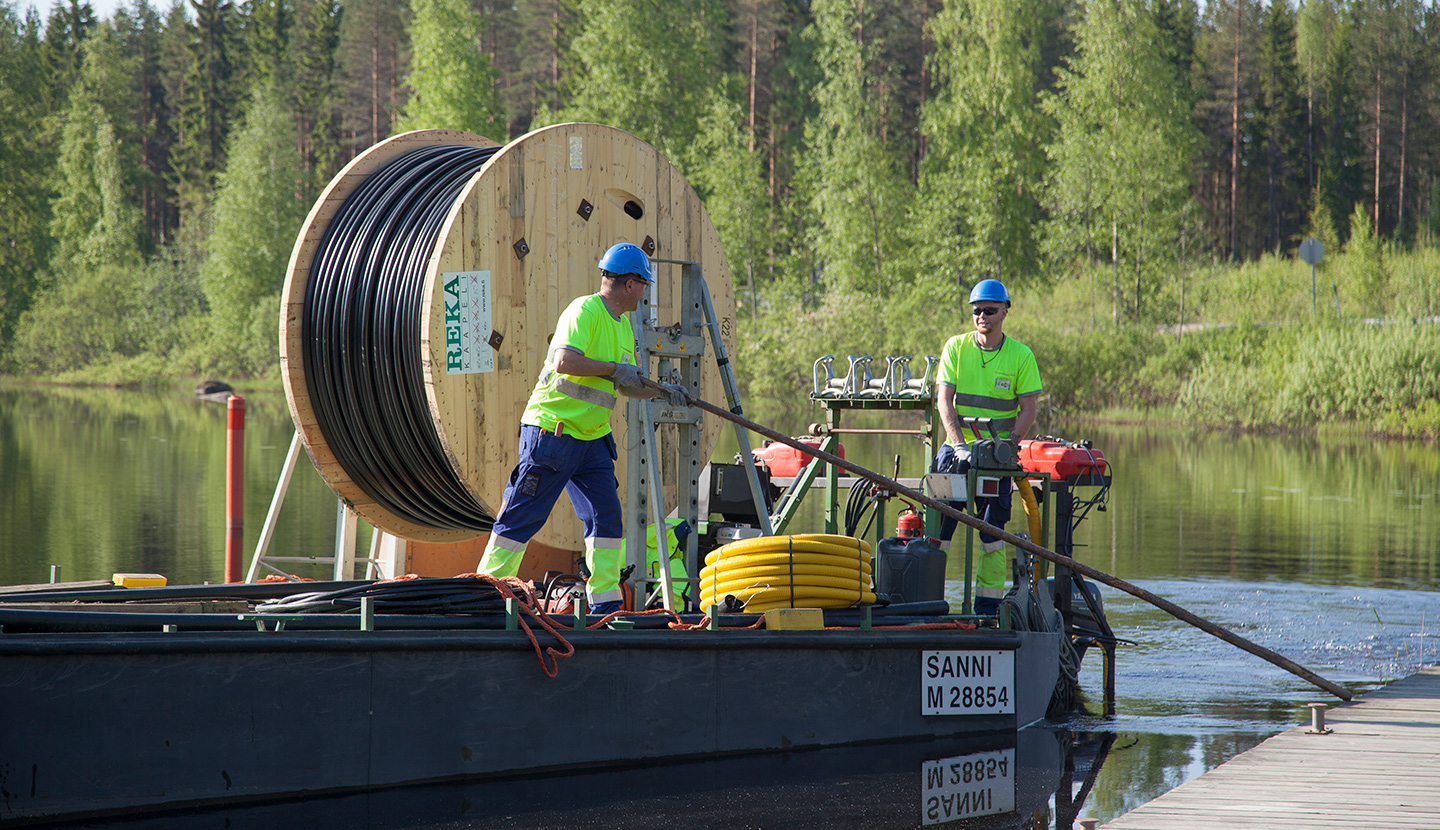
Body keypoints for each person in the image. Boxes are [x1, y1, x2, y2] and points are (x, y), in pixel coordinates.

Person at [476, 243, 686, 614]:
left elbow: (627, 383)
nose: (645, 292)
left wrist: (665, 391)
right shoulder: (585, 310)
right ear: (631, 284)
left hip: (591, 440)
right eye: (644, 284)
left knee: (606, 518)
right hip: (552, 433)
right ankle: (485, 595)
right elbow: (564, 361)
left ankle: (605, 603)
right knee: (524, 514)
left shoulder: (622, 326)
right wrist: (612, 368)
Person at [932, 278, 1043, 615]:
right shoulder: (956, 347)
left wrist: (1007, 448)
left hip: (996, 455)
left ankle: (987, 609)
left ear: (1004, 313)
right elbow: (944, 402)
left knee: (993, 535)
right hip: (957, 452)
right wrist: (959, 446)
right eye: (977, 310)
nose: (982, 316)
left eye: (990, 310)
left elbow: (1029, 409)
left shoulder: (1020, 356)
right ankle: (928, 603)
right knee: (938, 530)